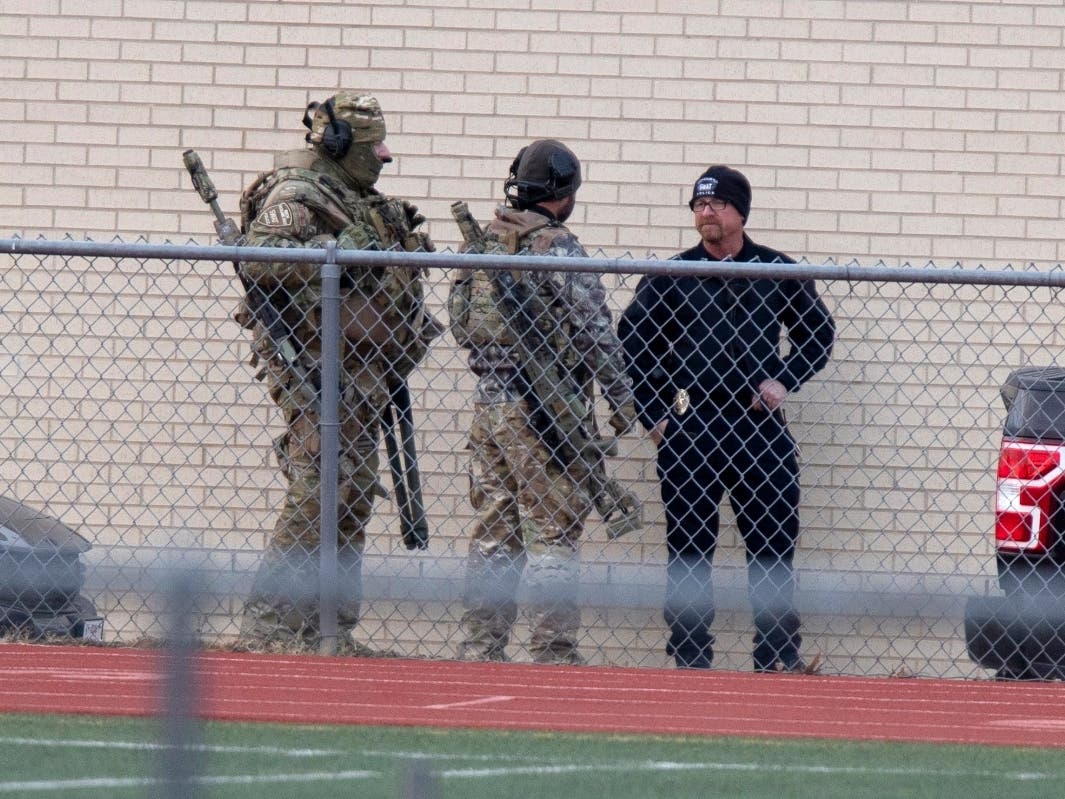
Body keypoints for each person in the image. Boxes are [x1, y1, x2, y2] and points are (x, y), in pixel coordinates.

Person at [236, 90, 438, 652]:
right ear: (339, 143)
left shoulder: (350, 195)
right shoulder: (299, 192)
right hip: (317, 370)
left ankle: (329, 629)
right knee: (316, 490)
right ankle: (268, 627)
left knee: (351, 493)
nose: (385, 156)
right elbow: (260, 255)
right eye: (375, 146)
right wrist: (335, 252)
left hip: (362, 374)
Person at [619, 165, 835, 672]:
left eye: (716, 204)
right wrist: (655, 418)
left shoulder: (776, 270)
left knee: (773, 545)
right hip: (692, 428)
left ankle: (777, 655)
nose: (705, 212)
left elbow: (818, 336)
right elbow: (633, 347)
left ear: (740, 212)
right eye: (698, 204)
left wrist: (783, 379)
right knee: (689, 550)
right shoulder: (673, 275)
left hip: (759, 429)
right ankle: (691, 655)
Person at [447, 139, 637, 664]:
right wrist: (621, 398)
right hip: (544, 410)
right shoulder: (556, 245)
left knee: (495, 534)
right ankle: (554, 653)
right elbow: (596, 330)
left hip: (490, 406)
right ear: (562, 190)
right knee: (553, 530)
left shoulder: (481, 243)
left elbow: (462, 323)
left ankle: (480, 650)